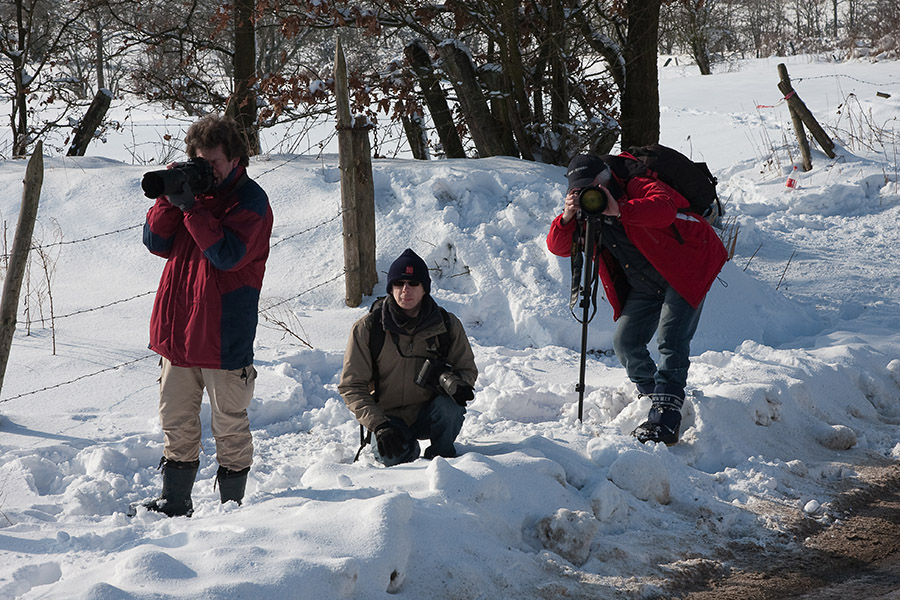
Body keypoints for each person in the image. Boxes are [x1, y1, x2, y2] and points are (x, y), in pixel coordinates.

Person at [139, 114, 273, 516]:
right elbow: (155, 241)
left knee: (229, 425)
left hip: (221, 334)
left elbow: (227, 256)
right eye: (200, 161)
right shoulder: (194, 195)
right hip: (178, 332)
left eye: (213, 162)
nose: (207, 169)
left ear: (235, 158)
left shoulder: (250, 202)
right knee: (176, 421)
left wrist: (192, 207)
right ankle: (174, 501)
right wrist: (169, 196)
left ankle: (232, 508)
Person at [546, 153, 727, 445]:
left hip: (686, 267)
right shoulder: (587, 212)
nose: (589, 194)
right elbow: (560, 247)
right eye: (578, 190)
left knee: (671, 338)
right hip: (645, 281)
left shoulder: (637, 184)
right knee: (626, 342)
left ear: (605, 177)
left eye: (592, 186)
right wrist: (568, 216)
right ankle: (654, 397)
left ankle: (667, 417)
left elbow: (664, 210)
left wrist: (620, 210)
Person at [339, 249, 478, 466]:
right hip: (388, 417)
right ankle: (408, 453)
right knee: (391, 454)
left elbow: (466, 369)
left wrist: (459, 386)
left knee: (450, 408)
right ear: (391, 288)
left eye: (413, 283)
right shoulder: (369, 328)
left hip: (430, 412)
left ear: (425, 289)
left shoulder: (447, 325)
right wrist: (379, 425)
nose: (406, 290)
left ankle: (444, 461)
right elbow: (352, 386)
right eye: (399, 283)